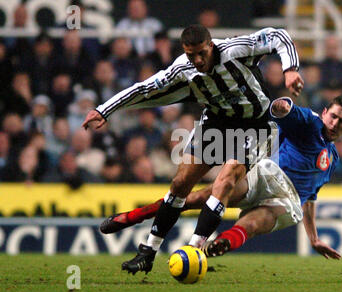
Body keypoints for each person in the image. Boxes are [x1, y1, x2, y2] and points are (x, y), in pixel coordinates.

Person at [82, 24, 303, 275]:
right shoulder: (182, 67)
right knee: (180, 183)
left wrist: (290, 70)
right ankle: (148, 252)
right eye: (190, 55)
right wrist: (104, 110)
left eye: (201, 53)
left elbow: (278, 35)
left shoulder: (235, 50)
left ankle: (193, 251)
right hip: (217, 122)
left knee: (226, 179)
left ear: (210, 45)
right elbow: (145, 88)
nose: (197, 60)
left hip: (256, 124)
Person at [100, 95, 342, 268]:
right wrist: (283, 107)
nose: (334, 123)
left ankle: (222, 243)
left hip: (289, 200)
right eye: (332, 116)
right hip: (267, 174)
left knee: (256, 223)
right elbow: (287, 112)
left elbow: (310, 198)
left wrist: (313, 238)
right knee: (199, 198)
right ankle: (134, 216)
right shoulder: (310, 123)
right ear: (324, 113)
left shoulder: (332, 159)